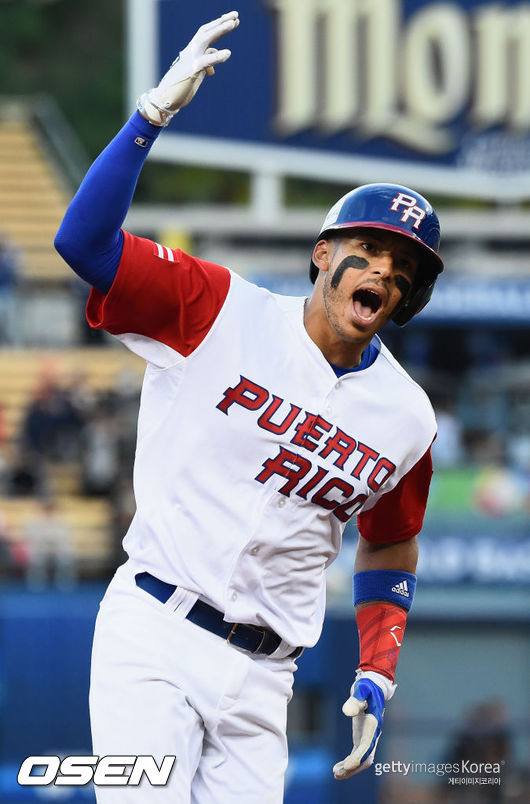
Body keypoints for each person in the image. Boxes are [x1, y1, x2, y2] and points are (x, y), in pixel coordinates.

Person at [54, 11, 443, 802]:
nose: (382, 270)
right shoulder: (219, 307)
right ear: (323, 253)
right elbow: (84, 246)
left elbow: (391, 543)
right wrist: (149, 117)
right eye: (366, 249)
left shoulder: (407, 419)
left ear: (406, 298)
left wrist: (377, 668)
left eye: (402, 267)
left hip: (266, 679)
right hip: (155, 631)